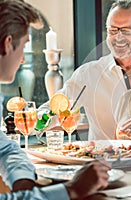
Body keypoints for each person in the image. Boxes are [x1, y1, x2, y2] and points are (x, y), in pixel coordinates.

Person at [0, 0, 111, 199]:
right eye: (25, 46)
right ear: (8, 44)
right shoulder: (89, 72)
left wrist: (22, 179)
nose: (23, 59)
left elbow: (5, 148)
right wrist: (72, 190)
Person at [38, 0, 131, 140]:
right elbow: (50, 110)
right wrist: (38, 120)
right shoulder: (88, 74)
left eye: (126, 30)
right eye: (112, 30)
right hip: (102, 160)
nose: (118, 37)